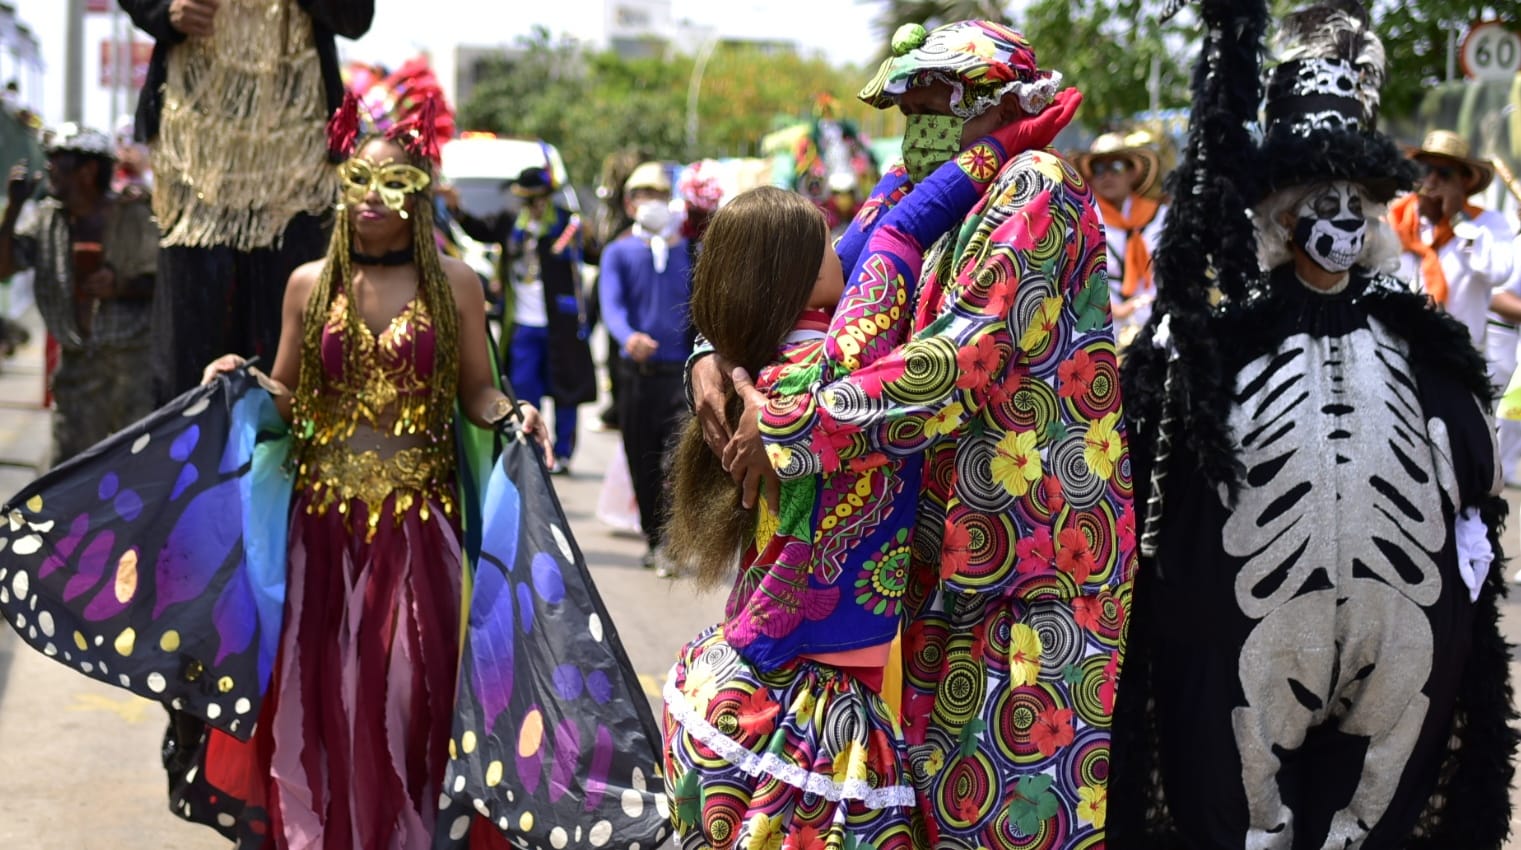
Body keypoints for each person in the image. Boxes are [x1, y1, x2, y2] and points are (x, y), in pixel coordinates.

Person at [693, 20, 1134, 848]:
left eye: (933, 107)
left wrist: (789, 420)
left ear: (994, 104)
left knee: (1005, 815)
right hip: (938, 560)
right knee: (923, 806)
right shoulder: (922, 191)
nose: (915, 126)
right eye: (907, 109)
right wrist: (711, 356)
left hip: (1030, 556)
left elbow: (964, 360)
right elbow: (805, 287)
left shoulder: (1035, 185)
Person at [1111, 3, 1516, 847]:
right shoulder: (1218, 336)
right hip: (1252, 631)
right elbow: (1152, 465)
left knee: (1378, 787)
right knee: (1236, 789)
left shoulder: (1414, 332)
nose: (1340, 220)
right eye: (1319, 202)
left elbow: (1471, 461)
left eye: (1353, 202)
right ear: (1283, 215)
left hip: (1395, 632)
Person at [663, 112, 1041, 849]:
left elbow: (876, 227)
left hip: (786, 650)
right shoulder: (832, 367)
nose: (846, 246)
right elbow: (894, 236)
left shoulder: (768, 363)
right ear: (806, 278)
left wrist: (909, 166)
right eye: (826, 243)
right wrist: (1003, 143)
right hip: (816, 673)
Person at [194, 99, 560, 846]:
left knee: (408, 691)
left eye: (392, 181)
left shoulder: (456, 284)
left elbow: (477, 389)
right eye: (358, 178)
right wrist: (242, 380)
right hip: (320, 530)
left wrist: (511, 413)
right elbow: (289, 394)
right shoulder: (309, 284)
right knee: (319, 694)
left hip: (419, 531)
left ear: (420, 191)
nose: (371, 195)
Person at [120, 0, 374, 404]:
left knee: (288, 349)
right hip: (195, 162)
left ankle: (284, 440)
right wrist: (165, 10)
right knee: (190, 354)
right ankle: (188, 442)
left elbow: (356, 16)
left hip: (297, 167)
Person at [0, 125, 158, 464]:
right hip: (76, 370)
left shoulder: (134, 214)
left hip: (131, 370)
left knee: (135, 468)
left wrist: (121, 286)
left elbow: (163, 284)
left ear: (87, 170)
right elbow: (4, 268)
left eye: (58, 161)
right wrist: (13, 209)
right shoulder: (48, 221)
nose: (49, 169)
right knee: (71, 471)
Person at [453, 166, 597, 474]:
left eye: (538, 199)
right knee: (523, 388)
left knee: (565, 391)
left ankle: (563, 453)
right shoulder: (511, 223)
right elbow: (479, 229)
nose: (533, 206)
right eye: (527, 200)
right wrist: (455, 209)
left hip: (561, 323)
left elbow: (594, 254)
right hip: (521, 325)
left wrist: (591, 236)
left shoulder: (566, 223)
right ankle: (530, 449)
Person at [598, 161, 694, 574]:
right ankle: (654, 539)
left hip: (681, 375)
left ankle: (672, 541)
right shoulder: (618, 252)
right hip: (636, 378)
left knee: (676, 460)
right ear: (629, 203)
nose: (651, 202)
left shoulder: (690, 251)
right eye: (643, 195)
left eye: (658, 194)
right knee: (642, 461)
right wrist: (628, 337)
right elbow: (611, 305)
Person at [1074, 131, 1168, 349]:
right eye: (1098, 168)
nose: (1107, 175)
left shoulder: (1160, 216)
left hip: (1157, 324)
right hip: (1103, 329)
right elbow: (1077, 280)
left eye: (1116, 166)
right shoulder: (1082, 220)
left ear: (1132, 173)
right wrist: (1118, 310)